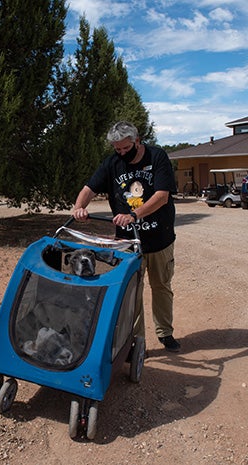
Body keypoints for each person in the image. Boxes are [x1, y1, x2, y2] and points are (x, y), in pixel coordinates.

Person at [72, 121, 180, 352]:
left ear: (137, 141)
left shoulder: (157, 157)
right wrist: (79, 207)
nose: (121, 153)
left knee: (161, 286)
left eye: (125, 148)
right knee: (132, 293)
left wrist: (134, 214)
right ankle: (135, 341)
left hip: (160, 238)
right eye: (117, 149)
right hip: (128, 243)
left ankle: (165, 333)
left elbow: (162, 196)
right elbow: (89, 188)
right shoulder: (112, 164)